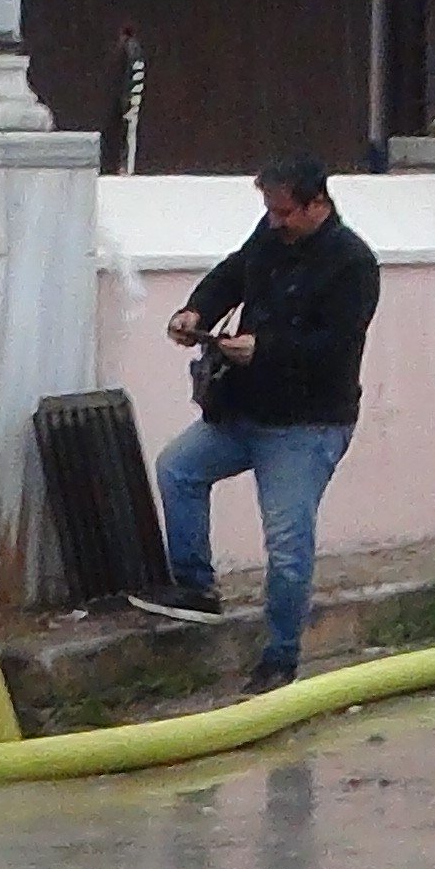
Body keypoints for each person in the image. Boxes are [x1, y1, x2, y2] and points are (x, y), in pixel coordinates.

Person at [129, 159, 382, 688]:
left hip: (308, 424)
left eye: (284, 211)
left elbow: (335, 346)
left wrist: (264, 349)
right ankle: (195, 587)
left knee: (287, 543)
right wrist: (196, 312)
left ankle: (281, 656)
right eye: (268, 210)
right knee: (178, 470)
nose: (274, 221)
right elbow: (232, 274)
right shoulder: (269, 236)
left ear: (318, 205)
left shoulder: (354, 263)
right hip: (243, 408)